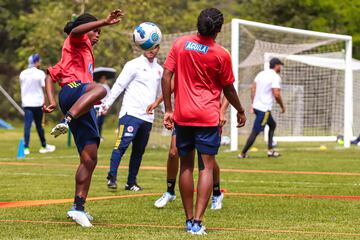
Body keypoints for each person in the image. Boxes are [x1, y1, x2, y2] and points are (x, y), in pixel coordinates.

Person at [162, 8, 246, 235]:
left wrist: (168, 109)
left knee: (186, 166)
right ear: (218, 30)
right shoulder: (221, 54)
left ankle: (188, 219)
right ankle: (198, 222)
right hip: (207, 117)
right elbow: (228, 88)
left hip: (183, 115)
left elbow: (166, 75)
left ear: (198, 24)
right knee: (206, 167)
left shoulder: (180, 44)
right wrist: (240, 109)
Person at [43, 10, 124, 227]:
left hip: (78, 103)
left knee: (90, 158)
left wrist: (50, 101)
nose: (98, 34)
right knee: (102, 88)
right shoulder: (76, 40)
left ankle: (78, 208)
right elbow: (77, 30)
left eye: (99, 31)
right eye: (95, 31)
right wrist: (105, 22)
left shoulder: (74, 56)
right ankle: (66, 120)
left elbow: (50, 75)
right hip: (72, 93)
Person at [100, 46, 163, 191]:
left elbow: (161, 95)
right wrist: (107, 104)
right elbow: (119, 85)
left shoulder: (160, 69)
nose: (151, 50)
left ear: (158, 48)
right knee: (121, 146)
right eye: (148, 46)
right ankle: (112, 177)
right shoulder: (133, 64)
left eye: (154, 47)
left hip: (147, 117)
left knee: (139, 150)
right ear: (143, 46)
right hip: (130, 114)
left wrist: (167, 114)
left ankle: (131, 182)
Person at [151, 97, 229, 210]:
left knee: (206, 158)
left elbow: (228, 89)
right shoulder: (182, 78)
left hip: (207, 115)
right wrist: (158, 103)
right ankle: (170, 191)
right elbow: (169, 83)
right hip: (184, 116)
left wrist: (222, 111)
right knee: (173, 152)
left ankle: (216, 193)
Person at [238, 58, 285, 159]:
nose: (280, 67)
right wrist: (282, 106)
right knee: (256, 131)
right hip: (264, 109)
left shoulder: (261, 74)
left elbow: (253, 88)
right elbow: (276, 94)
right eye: (280, 65)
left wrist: (252, 104)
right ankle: (242, 153)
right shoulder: (275, 77)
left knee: (272, 125)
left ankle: (270, 150)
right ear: (276, 66)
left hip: (257, 107)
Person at [19, 54, 56, 155]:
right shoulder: (40, 73)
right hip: (38, 103)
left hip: (27, 103)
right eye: (39, 61)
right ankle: (44, 145)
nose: (40, 62)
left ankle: (26, 148)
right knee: (39, 126)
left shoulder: (22, 73)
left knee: (27, 126)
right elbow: (45, 87)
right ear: (35, 62)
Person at [94, 74, 111, 140]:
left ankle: (99, 136)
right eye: (102, 78)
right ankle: (95, 135)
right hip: (95, 106)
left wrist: (106, 108)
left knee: (100, 122)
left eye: (104, 78)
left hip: (103, 106)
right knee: (95, 122)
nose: (103, 79)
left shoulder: (106, 87)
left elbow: (109, 97)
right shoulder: (97, 85)